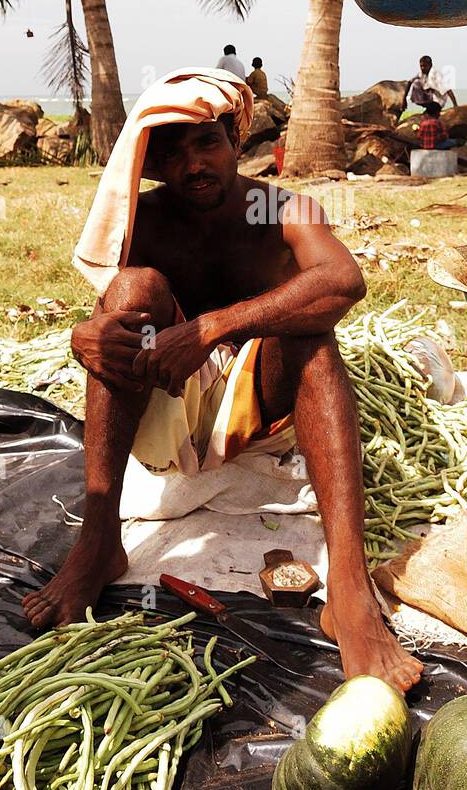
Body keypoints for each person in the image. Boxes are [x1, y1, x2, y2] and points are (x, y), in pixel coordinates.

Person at [22, 69, 423, 693]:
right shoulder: (145, 220)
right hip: (167, 404)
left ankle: (348, 588)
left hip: (261, 410)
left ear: (237, 140)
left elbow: (343, 281)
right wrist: (88, 334)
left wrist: (210, 328)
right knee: (131, 292)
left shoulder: (276, 206)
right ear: (150, 163)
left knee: (311, 330)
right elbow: (116, 326)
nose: (193, 164)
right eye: (172, 151)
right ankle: (99, 542)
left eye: (206, 142)